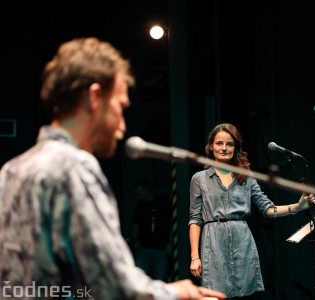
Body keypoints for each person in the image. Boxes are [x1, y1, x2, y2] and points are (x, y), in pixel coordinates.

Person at [0, 37, 225, 300]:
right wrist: (180, 293)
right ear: (95, 97)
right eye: (119, 107)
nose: (122, 126)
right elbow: (116, 287)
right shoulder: (74, 168)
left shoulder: (11, 170)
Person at [188, 123, 315, 299]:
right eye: (219, 143)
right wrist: (195, 257)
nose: (224, 148)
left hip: (242, 244)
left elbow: (267, 209)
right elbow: (195, 219)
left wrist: (297, 207)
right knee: (214, 295)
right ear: (211, 146)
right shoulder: (199, 179)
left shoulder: (246, 177)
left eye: (229, 144)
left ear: (236, 148)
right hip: (213, 245)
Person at [132, 180, 172, 280]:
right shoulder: (139, 207)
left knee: (160, 279)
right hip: (143, 248)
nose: (138, 196)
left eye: (139, 193)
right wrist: (135, 242)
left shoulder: (162, 204)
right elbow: (135, 226)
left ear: (146, 191)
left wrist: (170, 242)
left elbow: (170, 224)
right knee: (140, 279)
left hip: (160, 249)